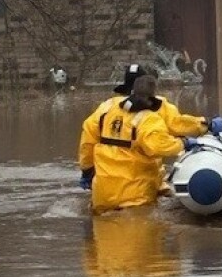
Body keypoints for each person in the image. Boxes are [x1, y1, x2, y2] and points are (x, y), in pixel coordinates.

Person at [77, 65, 193, 214]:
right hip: (137, 195)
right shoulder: (152, 114)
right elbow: (167, 136)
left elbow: (87, 141)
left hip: (103, 193)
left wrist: (86, 170)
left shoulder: (106, 108)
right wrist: (190, 138)